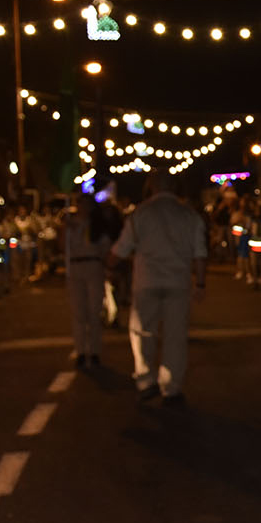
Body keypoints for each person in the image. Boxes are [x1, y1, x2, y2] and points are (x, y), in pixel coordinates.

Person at [108, 171, 206, 406]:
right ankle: (171, 387)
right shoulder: (189, 215)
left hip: (147, 280)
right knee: (175, 335)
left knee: (142, 331)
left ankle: (145, 380)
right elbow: (200, 253)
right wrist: (200, 282)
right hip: (178, 281)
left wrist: (106, 265)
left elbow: (121, 249)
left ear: (151, 186)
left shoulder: (140, 214)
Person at [63, 199, 113, 368]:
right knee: (78, 312)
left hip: (93, 266)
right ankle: (81, 351)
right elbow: (62, 247)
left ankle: (94, 351)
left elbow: (106, 248)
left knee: (94, 311)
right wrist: (65, 230)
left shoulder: (97, 226)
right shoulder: (70, 225)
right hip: (76, 267)